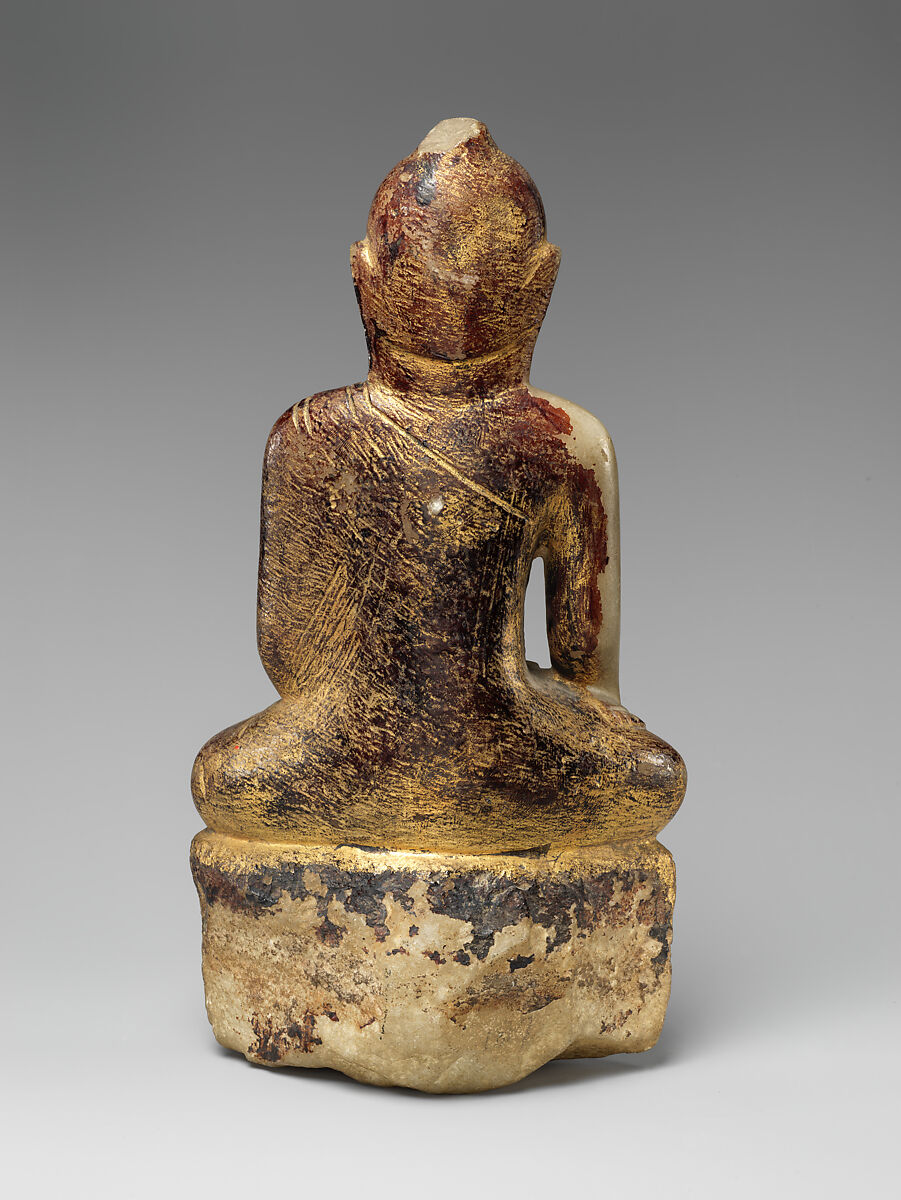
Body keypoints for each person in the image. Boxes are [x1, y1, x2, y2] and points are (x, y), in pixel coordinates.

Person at [192, 118, 685, 854]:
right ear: (539, 283)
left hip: (341, 764)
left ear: (364, 277)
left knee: (222, 778)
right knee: (653, 776)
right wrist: (535, 699)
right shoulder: (567, 440)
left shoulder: (308, 433)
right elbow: (588, 671)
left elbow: (288, 656)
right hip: (513, 763)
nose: (453, 304)